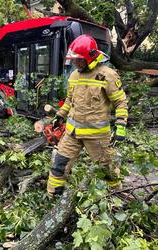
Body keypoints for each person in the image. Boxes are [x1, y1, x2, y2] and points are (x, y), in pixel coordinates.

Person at [47, 34, 128, 197]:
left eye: (79, 60)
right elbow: (70, 100)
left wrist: (120, 127)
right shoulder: (74, 76)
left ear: (90, 57)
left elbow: (120, 102)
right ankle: (53, 198)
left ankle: (116, 197)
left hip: (97, 137)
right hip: (72, 133)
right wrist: (60, 115)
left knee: (108, 171)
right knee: (59, 165)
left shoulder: (108, 75)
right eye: (74, 60)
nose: (76, 63)